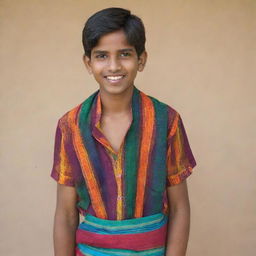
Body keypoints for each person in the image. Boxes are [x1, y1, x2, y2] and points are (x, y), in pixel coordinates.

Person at [51, 7, 197, 256]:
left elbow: (180, 207)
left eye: (125, 54)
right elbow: (65, 215)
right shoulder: (70, 126)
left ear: (141, 59)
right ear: (89, 63)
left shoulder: (166, 121)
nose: (114, 65)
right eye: (101, 56)